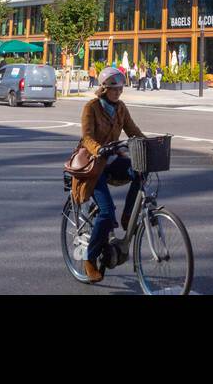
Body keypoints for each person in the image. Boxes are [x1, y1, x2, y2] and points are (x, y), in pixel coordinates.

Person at [71, 66, 144, 284]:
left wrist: (149, 144)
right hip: (93, 165)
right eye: (113, 89)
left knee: (140, 171)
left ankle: (127, 216)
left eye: (120, 88)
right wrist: (99, 149)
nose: (118, 92)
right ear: (103, 89)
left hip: (110, 160)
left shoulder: (121, 108)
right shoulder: (91, 107)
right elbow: (86, 137)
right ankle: (90, 259)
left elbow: (134, 131)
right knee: (106, 211)